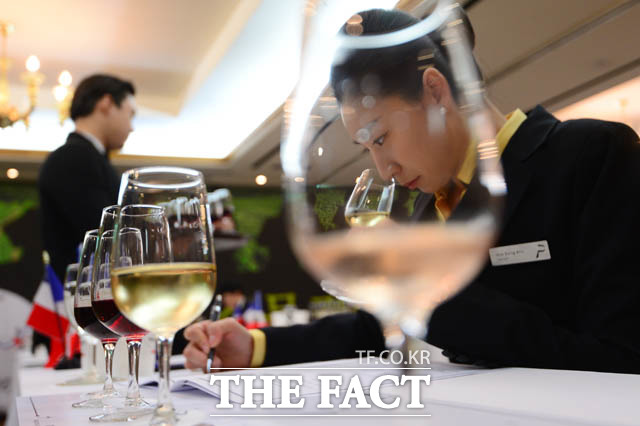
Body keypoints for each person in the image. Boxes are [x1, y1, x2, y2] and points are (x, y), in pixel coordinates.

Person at [183, 8, 640, 373]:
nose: (384, 171)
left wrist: (430, 291)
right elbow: (373, 331)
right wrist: (256, 346)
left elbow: (620, 356)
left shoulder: (591, 155)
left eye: (381, 138)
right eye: (367, 149)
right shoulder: (426, 207)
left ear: (435, 91)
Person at [38, 74, 136, 281]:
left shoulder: (84, 157)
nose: (131, 127)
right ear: (106, 104)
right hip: (86, 292)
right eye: (130, 114)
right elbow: (107, 236)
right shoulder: (74, 157)